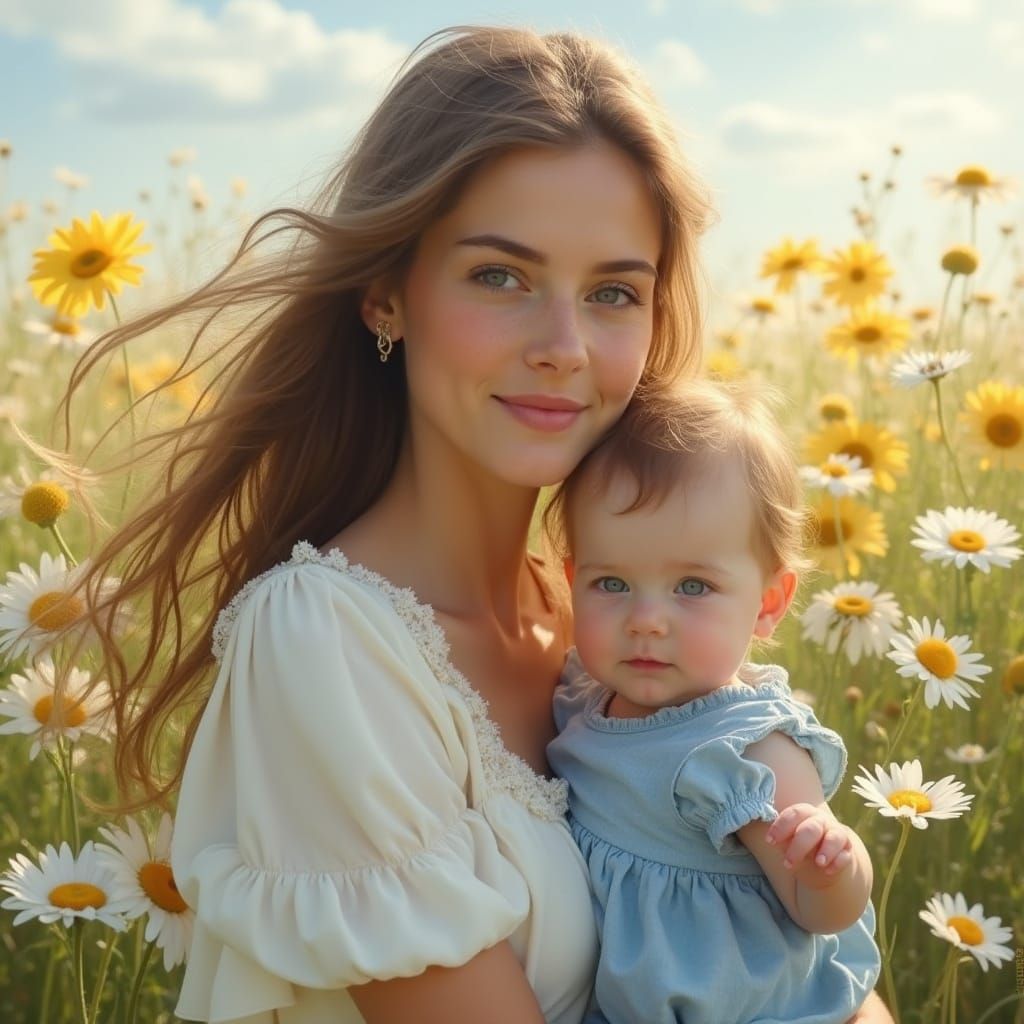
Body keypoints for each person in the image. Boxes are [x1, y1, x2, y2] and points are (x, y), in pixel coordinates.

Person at [67, 24, 893, 1024]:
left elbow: (813, 974)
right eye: (500, 276)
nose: (564, 345)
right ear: (385, 294)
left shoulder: (609, 620)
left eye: (613, 292)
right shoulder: (325, 645)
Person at [544, 380, 882, 1024]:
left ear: (769, 603)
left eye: (692, 586)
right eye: (611, 582)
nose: (646, 620)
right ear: (572, 581)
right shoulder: (584, 696)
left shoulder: (746, 751)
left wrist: (832, 865)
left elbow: (824, 914)